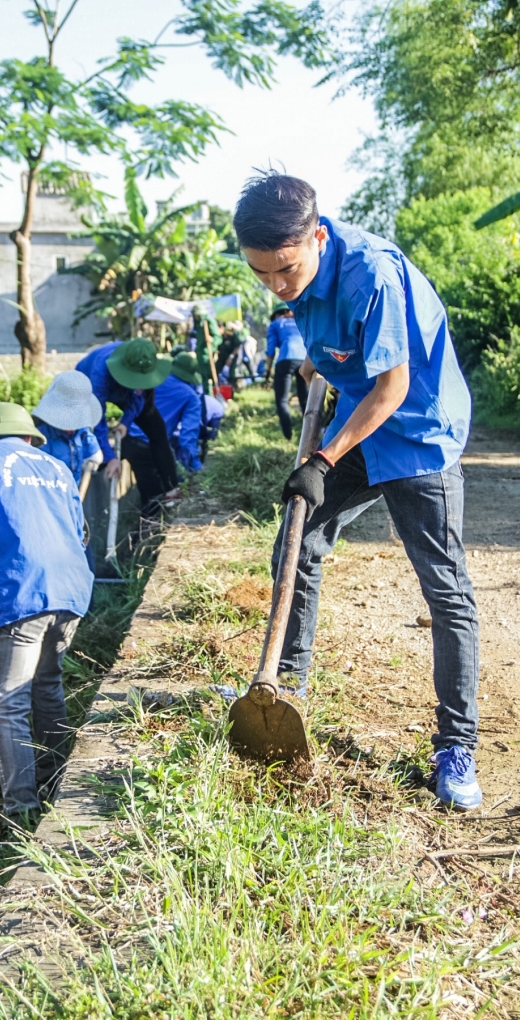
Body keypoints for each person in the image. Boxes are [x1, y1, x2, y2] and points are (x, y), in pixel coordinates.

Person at [233, 171, 481, 811]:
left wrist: (321, 458)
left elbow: (392, 388)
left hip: (417, 432)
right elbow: (337, 351)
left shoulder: (370, 272)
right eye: (263, 275)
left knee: (444, 589)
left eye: (286, 270)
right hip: (358, 427)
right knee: (299, 538)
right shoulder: (295, 272)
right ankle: (287, 692)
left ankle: (457, 747)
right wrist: (314, 367)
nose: (279, 286)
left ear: (317, 236)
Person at [0, 403, 94, 823]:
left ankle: (22, 813)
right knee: (46, 686)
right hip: (71, 588)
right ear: (30, 437)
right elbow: (77, 531)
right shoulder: (56, 467)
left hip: (24, 587)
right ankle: (55, 787)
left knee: (6, 705)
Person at [76, 338, 178, 501]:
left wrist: (125, 423)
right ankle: (99, 460)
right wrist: (110, 458)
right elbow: (96, 419)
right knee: (90, 435)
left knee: (157, 428)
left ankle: (172, 489)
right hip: (90, 385)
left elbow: (138, 396)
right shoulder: (100, 373)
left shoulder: (142, 362)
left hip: (123, 388)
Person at [125, 352, 203, 510]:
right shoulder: (190, 397)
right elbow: (186, 439)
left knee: (147, 493)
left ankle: (139, 527)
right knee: (157, 501)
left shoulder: (154, 381)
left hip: (127, 439)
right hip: (151, 448)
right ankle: (149, 531)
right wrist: (194, 470)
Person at [32, 371, 103, 486]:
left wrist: (93, 454)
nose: (71, 427)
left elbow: (88, 441)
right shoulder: (42, 439)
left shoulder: (81, 431)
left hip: (74, 489)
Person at [265, 301, 308, 439]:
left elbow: (270, 350)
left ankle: (288, 436)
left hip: (285, 359)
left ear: (279, 314)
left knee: (282, 401)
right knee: (305, 399)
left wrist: (268, 372)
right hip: (305, 361)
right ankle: (310, 435)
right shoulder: (300, 321)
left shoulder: (275, 324)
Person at [192, 304, 221, 395]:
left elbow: (218, 338)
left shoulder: (209, 321)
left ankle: (209, 396)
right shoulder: (198, 324)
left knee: (206, 378)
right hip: (199, 354)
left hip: (207, 354)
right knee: (200, 377)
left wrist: (211, 340)